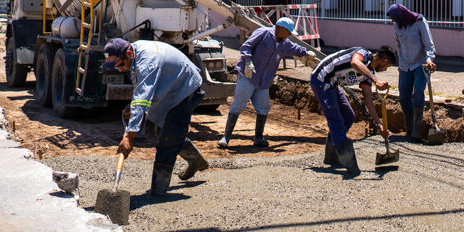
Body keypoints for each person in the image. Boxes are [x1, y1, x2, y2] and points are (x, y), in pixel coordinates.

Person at [106, 38, 209, 197]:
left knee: (168, 138)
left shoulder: (147, 61)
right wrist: (132, 106)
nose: (119, 70)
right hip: (170, 87)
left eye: (119, 65)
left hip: (185, 88)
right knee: (161, 131)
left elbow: (143, 98)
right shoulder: (135, 54)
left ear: (128, 53)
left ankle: (158, 193)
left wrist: (129, 137)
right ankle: (195, 160)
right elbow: (141, 89)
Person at [219, 16, 317, 149]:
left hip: (264, 80)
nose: (289, 34)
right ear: (281, 29)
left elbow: (295, 49)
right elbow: (246, 46)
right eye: (288, 31)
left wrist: (307, 53)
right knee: (238, 105)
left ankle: (258, 138)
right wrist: (248, 62)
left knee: (263, 107)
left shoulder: (284, 43)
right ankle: (226, 137)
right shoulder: (263, 33)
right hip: (249, 76)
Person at [310, 46, 396, 176]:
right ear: (384, 60)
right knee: (336, 121)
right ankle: (348, 161)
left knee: (348, 116)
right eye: (387, 66)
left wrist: (379, 125)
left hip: (333, 84)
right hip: (321, 80)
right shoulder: (363, 53)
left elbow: (368, 100)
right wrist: (376, 80)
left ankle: (332, 156)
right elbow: (355, 62)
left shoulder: (368, 74)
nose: (385, 70)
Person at [386, 3, 436, 141]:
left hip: (420, 64)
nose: (392, 21)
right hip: (405, 66)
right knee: (403, 97)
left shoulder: (419, 22)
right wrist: (401, 63)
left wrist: (430, 59)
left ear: (401, 15)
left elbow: (429, 44)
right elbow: (399, 45)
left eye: (393, 18)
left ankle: (416, 131)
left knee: (418, 93)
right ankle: (409, 129)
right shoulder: (397, 25)